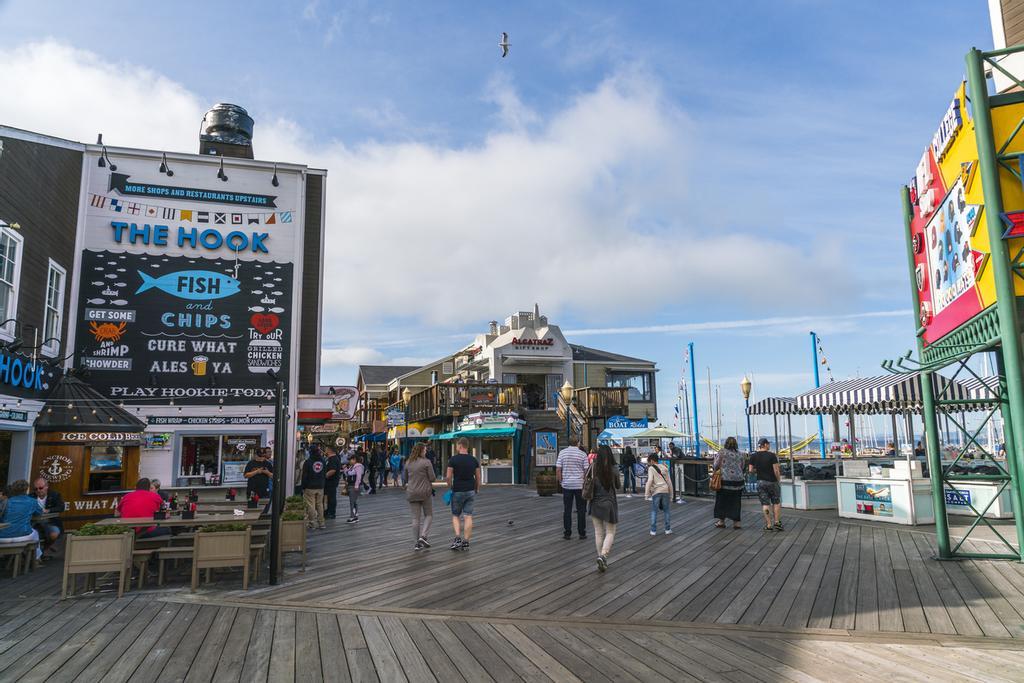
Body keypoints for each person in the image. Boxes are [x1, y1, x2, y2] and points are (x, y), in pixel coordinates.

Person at [589, 445, 620, 572]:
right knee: (610, 532)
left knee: (598, 532)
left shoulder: (593, 467)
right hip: (609, 503)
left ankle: (600, 557)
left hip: (595, 502)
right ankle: (603, 556)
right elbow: (618, 486)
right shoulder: (614, 468)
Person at [446, 437, 480, 550]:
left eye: (457, 445)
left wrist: (450, 487)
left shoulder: (453, 460)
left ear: (460, 446)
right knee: (468, 516)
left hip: (457, 490)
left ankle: (457, 538)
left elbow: (448, 477)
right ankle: (466, 542)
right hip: (470, 490)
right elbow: (478, 477)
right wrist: (477, 488)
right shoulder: (474, 460)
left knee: (456, 515)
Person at [555, 437, 589, 540]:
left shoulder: (562, 453)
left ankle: (567, 533)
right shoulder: (582, 454)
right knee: (581, 509)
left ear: (568, 443)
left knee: (567, 509)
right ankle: (582, 532)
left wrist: (561, 481)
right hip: (579, 485)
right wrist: (584, 481)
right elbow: (586, 470)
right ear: (578, 443)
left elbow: (558, 469)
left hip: (567, 485)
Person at [0, 480, 41, 559]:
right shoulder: (32, 501)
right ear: (26, 489)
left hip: (2, 536)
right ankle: (35, 559)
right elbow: (39, 513)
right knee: (36, 533)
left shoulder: (6, 501)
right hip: (23, 535)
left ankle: (21, 558)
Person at [749, 437, 782, 531]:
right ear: (765, 445)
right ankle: (777, 522)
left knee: (765, 503)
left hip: (761, 482)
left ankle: (768, 525)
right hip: (772, 481)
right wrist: (778, 480)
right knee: (776, 502)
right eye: (768, 444)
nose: (769, 445)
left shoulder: (753, 456)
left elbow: (750, 470)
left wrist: (758, 471)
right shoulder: (772, 455)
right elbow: (776, 470)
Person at [406, 443, 434, 550]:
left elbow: (405, 478)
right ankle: (423, 536)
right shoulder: (426, 462)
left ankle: (416, 543)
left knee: (415, 518)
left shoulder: (408, 462)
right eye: (425, 450)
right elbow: (432, 478)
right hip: (425, 492)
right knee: (429, 515)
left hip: (412, 492)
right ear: (421, 451)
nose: (426, 452)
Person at [712, 437, 744, 530]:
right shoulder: (740, 454)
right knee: (736, 502)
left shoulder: (722, 452)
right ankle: (736, 523)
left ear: (726, 443)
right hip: (738, 481)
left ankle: (721, 522)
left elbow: (716, 465)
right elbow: (742, 466)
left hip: (725, 480)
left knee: (722, 501)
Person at [644, 453, 673, 535]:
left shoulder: (651, 468)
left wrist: (646, 494)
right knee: (666, 510)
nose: (648, 463)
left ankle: (653, 530)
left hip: (656, 491)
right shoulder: (664, 467)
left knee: (654, 511)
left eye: (649, 462)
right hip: (665, 490)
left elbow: (650, 481)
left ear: (652, 461)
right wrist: (671, 495)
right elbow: (669, 482)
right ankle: (667, 529)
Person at [301, 446, 327, 530]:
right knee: (320, 504)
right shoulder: (323, 461)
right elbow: (324, 473)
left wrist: (303, 486)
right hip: (320, 485)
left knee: (311, 505)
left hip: (310, 486)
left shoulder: (308, 462)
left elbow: (304, 476)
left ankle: (312, 523)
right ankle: (321, 523)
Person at [32, 477, 64, 546]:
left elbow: (61, 507)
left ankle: (47, 549)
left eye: (40, 488)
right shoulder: (31, 497)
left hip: (51, 522)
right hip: (34, 523)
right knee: (32, 536)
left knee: (54, 534)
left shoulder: (55, 495)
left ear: (46, 487)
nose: (38, 490)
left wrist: (48, 510)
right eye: (35, 489)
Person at [343, 454, 365, 523]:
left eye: (350, 460)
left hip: (354, 486)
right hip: (351, 485)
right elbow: (348, 474)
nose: (349, 461)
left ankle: (353, 517)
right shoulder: (353, 466)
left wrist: (356, 486)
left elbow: (358, 476)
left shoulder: (358, 466)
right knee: (354, 502)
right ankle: (355, 516)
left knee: (352, 502)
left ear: (354, 459)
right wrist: (345, 468)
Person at [324, 446, 342, 519]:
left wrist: (324, 476)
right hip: (330, 482)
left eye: (326, 449)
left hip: (331, 481)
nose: (325, 451)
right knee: (329, 497)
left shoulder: (333, 459)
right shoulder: (330, 458)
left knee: (331, 497)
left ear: (329, 450)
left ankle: (331, 513)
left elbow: (333, 470)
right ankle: (328, 511)